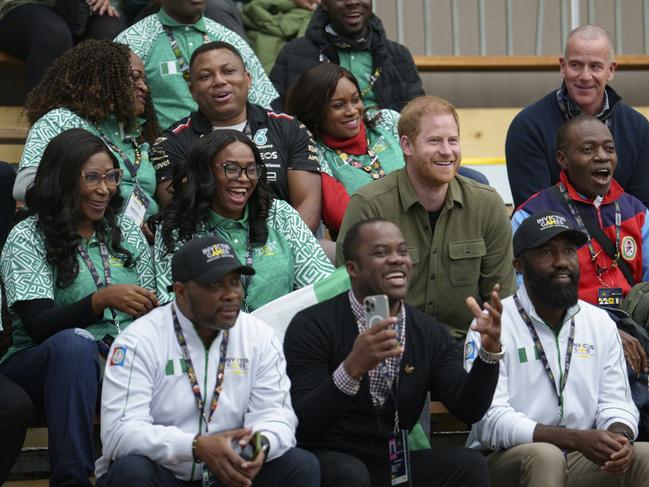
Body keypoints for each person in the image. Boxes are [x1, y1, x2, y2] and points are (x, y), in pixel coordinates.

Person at [284, 218, 503, 487]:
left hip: (391, 463)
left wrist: (489, 353)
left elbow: (468, 409)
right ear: (352, 268)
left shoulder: (428, 332)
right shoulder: (312, 325)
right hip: (329, 461)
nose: (396, 259)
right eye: (380, 253)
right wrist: (351, 369)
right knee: (351, 474)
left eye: (402, 251)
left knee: (468, 465)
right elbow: (303, 422)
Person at [96, 235, 320, 487]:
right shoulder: (138, 340)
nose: (231, 294)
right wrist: (196, 446)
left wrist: (255, 447)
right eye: (215, 284)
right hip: (167, 474)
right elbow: (119, 433)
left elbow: (278, 416)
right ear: (180, 293)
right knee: (132, 471)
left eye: (235, 282)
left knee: (300, 465)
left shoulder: (259, 335)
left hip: (232, 472)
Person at [0, 129, 157, 486]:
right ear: (63, 179)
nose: (105, 189)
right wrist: (100, 301)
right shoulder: (29, 235)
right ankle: (72, 480)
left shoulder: (125, 232)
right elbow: (38, 325)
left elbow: (152, 302)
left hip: (120, 358)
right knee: (75, 342)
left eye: (112, 177)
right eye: (92, 178)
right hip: (40, 361)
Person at [465, 209, 649, 487]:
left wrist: (617, 436)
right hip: (505, 458)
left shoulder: (599, 321)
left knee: (644, 455)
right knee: (545, 456)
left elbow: (617, 402)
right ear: (519, 265)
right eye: (546, 253)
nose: (562, 261)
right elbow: (489, 420)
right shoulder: (493, 323)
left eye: (569, 250)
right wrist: (574, 438)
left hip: (579, 457)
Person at [336, 96, 515, 332]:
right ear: (407, 146)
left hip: (464, 346)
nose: (446, 151)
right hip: (391, 345)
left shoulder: (487, 204)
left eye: (453, 140)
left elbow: (500, 299)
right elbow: (353, 294)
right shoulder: (370, 206)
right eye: (434, 141)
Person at [151, 41, 322, 232]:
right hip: (212, 249)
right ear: (192, 91)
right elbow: (179, 213)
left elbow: (308, 203)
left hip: (287, 243)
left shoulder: (290, 127)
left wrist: (279, 251)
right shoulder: (171, 143)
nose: (219, 81)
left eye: (228, 71)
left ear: (248, 79)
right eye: (205, 76)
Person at [155, 129, 335, 310]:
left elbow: (321, 283)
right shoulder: (177, 228)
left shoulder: (280, 215)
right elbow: (171, 303)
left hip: (284, 332)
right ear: (205, 172)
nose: (243, 178)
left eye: (251, 170)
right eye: (231, 169)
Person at [13, 40, 161, 228]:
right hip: (79, 233)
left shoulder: (138, 131)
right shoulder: (61, 120)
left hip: (141, 240)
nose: (144, 87)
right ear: (103, 78)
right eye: (134, 77)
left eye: (144, 80)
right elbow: (24, 185)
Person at [506, 24, 649, 208]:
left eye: (595, 66)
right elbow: (534, 213)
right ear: (562, 67)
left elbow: (643, 210)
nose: (585, 76)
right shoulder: (528, 127)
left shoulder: (638, 128)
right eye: (576, 65)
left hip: (623, 235)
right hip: (556, 236)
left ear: (611, 70)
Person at [115, 0, 277, 130]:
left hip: (234, 149)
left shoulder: (229, 39)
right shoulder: (134, 41)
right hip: (166, 155)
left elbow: (263, 107)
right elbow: (116, 113)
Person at [285, 63, 403, 234]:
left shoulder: (386, 121)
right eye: (338, 105)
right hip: (372, 245)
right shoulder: (315, 152)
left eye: (355, 100)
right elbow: (343, 219)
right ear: (316, 111)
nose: (352, 111)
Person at [269, 0, 423, 112]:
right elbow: (274, 113)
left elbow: (416, 117)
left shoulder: (398, 55)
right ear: (324, 3)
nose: (353, 2)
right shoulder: (293, 53)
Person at [0, 0, 126, 91]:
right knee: (53, 35)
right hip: (24, 5)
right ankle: (47, 121)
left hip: (86, 8)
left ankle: (102, 121)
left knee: (111, 38)